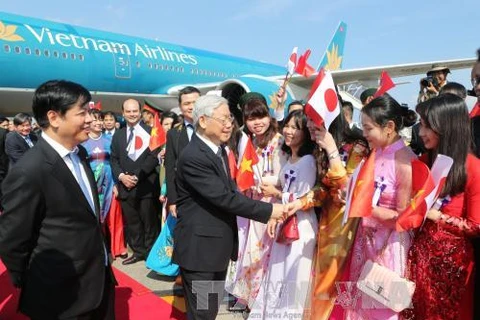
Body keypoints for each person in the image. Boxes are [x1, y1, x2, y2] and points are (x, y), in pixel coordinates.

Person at [0, 80, 115, 320]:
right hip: (61, 298)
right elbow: (12, 240)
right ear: (54, 118)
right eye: (82, 112)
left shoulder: (80, 153)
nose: (90, 119)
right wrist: (37, 281)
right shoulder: (29, 170)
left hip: (98, 282)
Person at [172, 95, 289, 320]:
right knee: (203, 314)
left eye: (230, 119)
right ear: (203, 121)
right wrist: (269, 211)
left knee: (209, 311)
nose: (229, 124)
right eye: (223, 119)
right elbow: (225, 198)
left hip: (214, 250)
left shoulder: (216, 150)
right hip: (201, 254)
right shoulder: (194, 156)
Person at [402, 94, 480, 320]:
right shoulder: (422, 163)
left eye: (427, 126)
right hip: (419, 259)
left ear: (447, 127)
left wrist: (437, 217)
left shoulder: (472, 168)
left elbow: (476, 226)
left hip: (453, 266)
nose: (421, 132)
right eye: (421, 125)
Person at [344, 94, 417, 319]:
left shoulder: (406, 161)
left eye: (368, 129)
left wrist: (364, 206)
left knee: (380, 307)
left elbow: (404, 218)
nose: (364, 134)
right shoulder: (375, 154)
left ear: (389, 127)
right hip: (364, 243)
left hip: (387, 248)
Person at [248, 110, 317, 319]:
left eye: (296, 127)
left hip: (300, 224)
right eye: (287, 125)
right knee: (278, 272)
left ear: (305, 133)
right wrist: (275, 216)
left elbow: (302, 199)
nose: (289, 131)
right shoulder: (291, 158)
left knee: (292, 275)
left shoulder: (307, 161)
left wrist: (276, 194)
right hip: (285, 220)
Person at [226, 95, 287, 311]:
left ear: (269, 117)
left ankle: (267, 299)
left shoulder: (282, 141)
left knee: (270, 255)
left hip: (276, 205)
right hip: (252, 207)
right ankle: (252, 298)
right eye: (251, 119)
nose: (257, 122)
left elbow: (292, 177)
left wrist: (277, 191)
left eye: (261, 116)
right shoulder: (246, 141)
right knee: (251, 251)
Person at [110, 98, 161, 265]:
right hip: (125, 187)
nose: (132, 114)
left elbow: (153, 158)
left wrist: (137, 176)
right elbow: (114, 160)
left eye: (135, 111)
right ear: (123, 113)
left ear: (140, 112)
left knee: (149, 222)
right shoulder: (117, 135)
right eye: (128, 111)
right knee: (133, 223)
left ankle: (150, 254)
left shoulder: (150, 132)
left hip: (146, 186)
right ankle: (138, 251)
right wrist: (122, 177)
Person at [82, 109, 127, 259]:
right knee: (95, 218)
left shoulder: (110, 139)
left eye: (100, 119)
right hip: (92, 184)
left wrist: (116, 184)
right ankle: (100, 248)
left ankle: (118, 248)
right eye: (95, 119)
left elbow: (115, 162)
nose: (99, 122)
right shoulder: (83, 141)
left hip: (110, 183)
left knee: (114, 217)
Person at [165, 86, 201, 218]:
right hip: (184, 197)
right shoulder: (174, 134)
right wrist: (173, 200)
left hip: (212, 195)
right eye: (187, 104)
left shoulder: (214, 128)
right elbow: (170, 168)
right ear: (180, 107)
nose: (191, 107)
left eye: (195, 102)